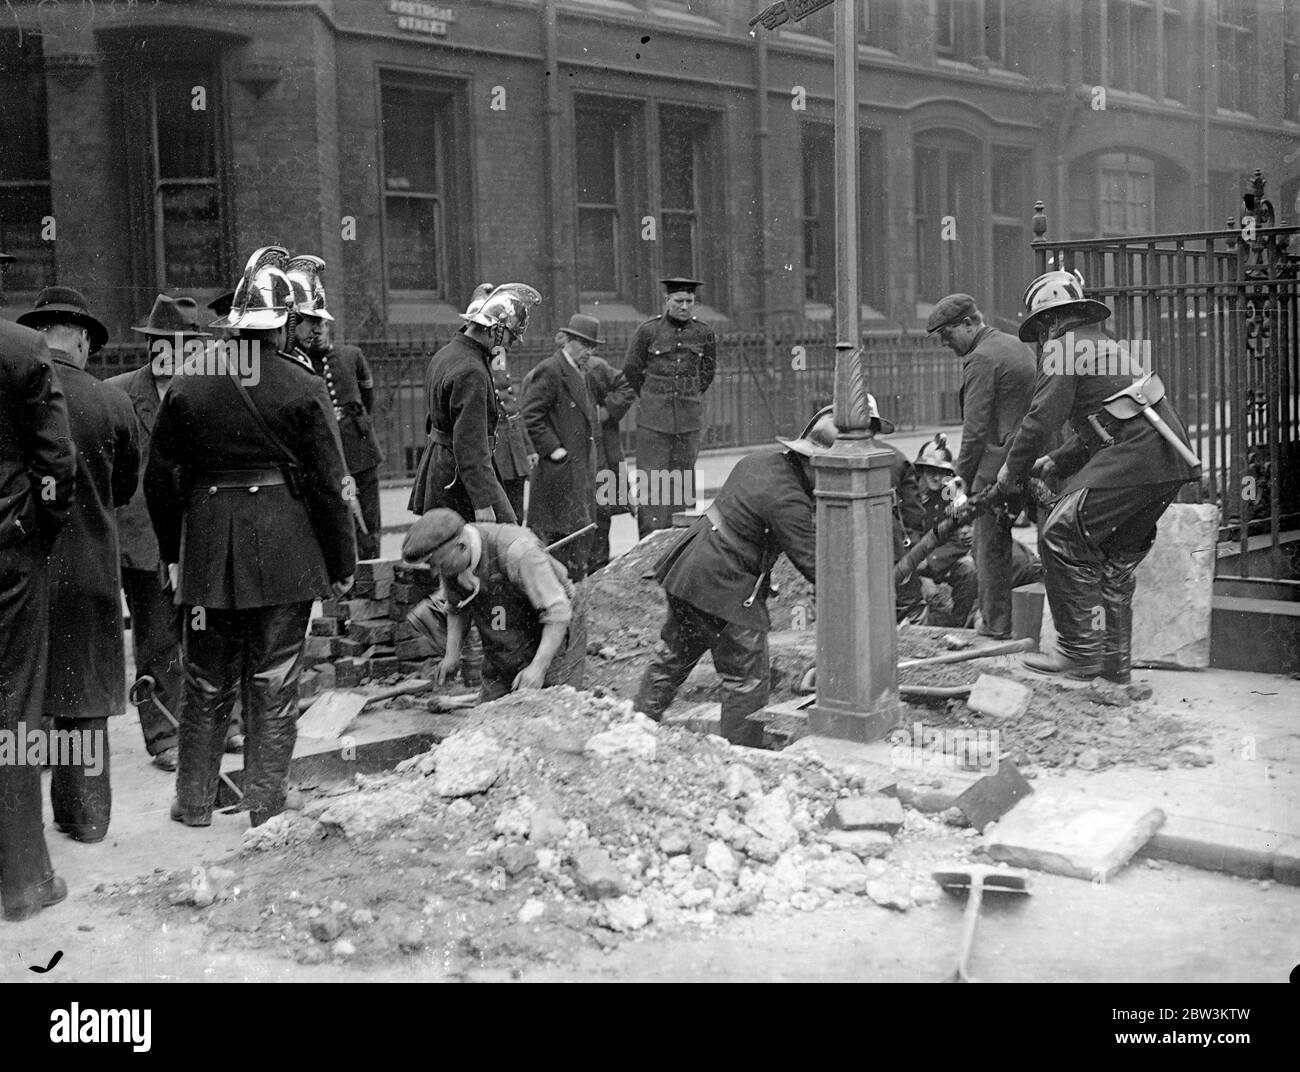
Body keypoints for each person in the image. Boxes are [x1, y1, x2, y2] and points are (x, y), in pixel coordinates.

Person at [146, 246, 356, 827]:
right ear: (285, 323)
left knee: (205, 677)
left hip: (209, 550)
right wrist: (343, 563)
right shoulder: (302, 385)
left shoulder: (190, 381)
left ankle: (193, 803)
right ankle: (265, 801)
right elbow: (332, 485)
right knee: (275, 677)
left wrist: (172, 553)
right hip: (285, 547)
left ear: (234, 319)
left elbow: (158, 479)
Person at [998, 269, 1199, 681]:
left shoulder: (1064, 347)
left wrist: (1010, 471)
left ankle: (1079, 654)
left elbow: (1039, 420)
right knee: (1113, 563)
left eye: (1040, 329)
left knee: (1059, 533)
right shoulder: (1100, 344)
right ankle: (1114, 671)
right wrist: (1056, 462)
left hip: (1138, 456)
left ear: (1051, 321)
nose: (1040, 340)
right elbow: (1105, 418)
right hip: (1166, 462)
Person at [17, 287, 139, 844]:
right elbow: (125, 488)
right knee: (85, 694)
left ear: (39, 336)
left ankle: (22, 837)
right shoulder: (113, 402)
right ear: (84, 340)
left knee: (21, 697)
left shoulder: (16, 393)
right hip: (90, 566)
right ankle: (86, 819)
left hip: (24, 567)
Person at [632, 406, 826, 747]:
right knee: (746, 681)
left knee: (672, 658)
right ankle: (743, 757)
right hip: (724, 584)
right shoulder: (789, 501)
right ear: (813, 462)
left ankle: (633, 729)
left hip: (690, 571)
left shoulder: (760, 461)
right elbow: (814, 566)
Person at [0, 251, 76, 921]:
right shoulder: (25, 350)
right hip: (9, 552)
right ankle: (24, 882)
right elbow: (58, 463)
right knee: (17, 709)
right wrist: (38, 528)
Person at [106, 294, 211, 773]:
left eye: (180, 344)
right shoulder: (119, 394)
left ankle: (215, 726)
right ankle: (163, 734)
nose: (168, 352)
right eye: (159, 343)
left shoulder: (208, 392)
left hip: (198, 534)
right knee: (157, 638)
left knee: (207, 633)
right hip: (143, 540)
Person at [928, 293, 1036, 638]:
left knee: (988, 548)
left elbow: (974, 433)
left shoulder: (980, 359)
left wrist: (959, 484)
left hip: (997, 470)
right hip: (1032, 460)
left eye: (948, 335)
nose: (946, 344)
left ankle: (995, 625)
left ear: (969, 323)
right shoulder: (1017, 343)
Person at [402, 508, 586, 702]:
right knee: (491, 711)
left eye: (437, 564)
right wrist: (452, 655)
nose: (435, 572)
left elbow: (557, 612)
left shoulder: (518, 552)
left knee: (553, 705)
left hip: (555, 628)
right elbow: (457, 608)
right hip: (507, 632)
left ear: (462, 546)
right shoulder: (453, 561)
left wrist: (538, 667)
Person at [408, 283, 542, 525]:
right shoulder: (473, 371)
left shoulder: (445, 355)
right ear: (494, 330)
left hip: (441, 469)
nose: (509, 346)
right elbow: (470, 443)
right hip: (460, 478)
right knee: (502, 542)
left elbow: (434, 422)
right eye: (510, 337)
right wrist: (482, 503)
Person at [286, 255, 385, 559]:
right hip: (329, 451)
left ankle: (371, 569)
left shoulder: (351, 355)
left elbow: (367, 399)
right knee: (342, 514)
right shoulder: (299, 363)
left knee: (368, 516)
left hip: (359, 446)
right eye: (310, 323)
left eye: (321, 323)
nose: (316, 330)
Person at [623, 277, 717, 535]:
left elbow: (707, 373)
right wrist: (652, 397)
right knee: (653, 487)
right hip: (654, 423)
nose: (685, 306)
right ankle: (650, 545)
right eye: (679, 301)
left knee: (681, 485)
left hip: (687, 422)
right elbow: (632, 369)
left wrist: (689, 395)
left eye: (689, 301)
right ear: (667, 301)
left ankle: (677, 546)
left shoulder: (704, 334)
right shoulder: (648, 332)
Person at [520, 314, 603, 581]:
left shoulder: (581, 372)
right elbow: (531, 414)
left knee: (576, 537)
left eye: (592, 346)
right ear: (567, 341)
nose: (589, 352)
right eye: (584, 345)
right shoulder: (552, 369)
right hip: (558, 472)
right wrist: (553, 449)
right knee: (555, 541)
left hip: (578, 470)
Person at [912, 434, 977, 628]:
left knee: (968, 569)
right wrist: (921, 577)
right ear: (921, 470)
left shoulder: (953, 496)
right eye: (931, 470)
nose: (936, 477)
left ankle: (959, 626)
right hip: (911, 565)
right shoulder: (908, 497)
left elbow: (962, 540)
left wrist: (930, 564)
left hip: (938, 562)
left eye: (942, 471)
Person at [584, 349, 636, 572]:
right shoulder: (552, 371)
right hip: (572, 453)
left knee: (601, 511)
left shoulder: (595, 367)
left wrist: (606, 411)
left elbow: (627, 385)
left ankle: (598, 571)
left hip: (599, 448)